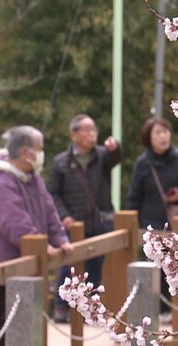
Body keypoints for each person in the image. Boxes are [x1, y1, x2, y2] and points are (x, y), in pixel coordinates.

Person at [0, 126, 73, 346]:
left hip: (27, 255)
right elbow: (13, 221)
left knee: (22, 307)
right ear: (25, 152)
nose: (43, 154)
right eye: (40, 149)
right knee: (1, 306)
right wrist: (40, 242)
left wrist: (60, 238)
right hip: (3, 258)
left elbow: (49, 210)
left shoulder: (33, 178)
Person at [48, 114, 122, 322]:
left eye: (94, 130)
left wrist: (115, 147)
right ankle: (62, 307)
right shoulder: (61, 162)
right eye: (87, 130)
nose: (92, 134)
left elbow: (116, 158)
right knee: (69, 264)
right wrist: (64, 216)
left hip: (100, 220)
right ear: (74, 135)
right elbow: (53, 193)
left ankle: (89, 309)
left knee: (95, 265)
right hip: (75, 222)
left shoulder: (102, 156)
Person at [127, 118, 178, 318]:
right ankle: (155, 311)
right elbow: (134, 196)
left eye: (166, 131)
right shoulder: (143, 163)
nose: (163, 136)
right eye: (158, 132)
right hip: (152, 224)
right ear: (148, 138)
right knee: (155, 269)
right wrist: (130, 224)